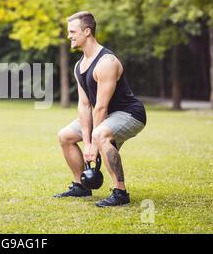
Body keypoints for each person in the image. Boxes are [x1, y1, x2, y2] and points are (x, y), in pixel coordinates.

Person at [55, 11, 146, 207]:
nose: (69, 35)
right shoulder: (79, 66)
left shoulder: (107, 62)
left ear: (87, 31)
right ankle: (81, 186)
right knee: (65, 136)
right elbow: (85, 105)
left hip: (129, 113)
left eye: (73, 31)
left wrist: (93, 144)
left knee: (100, 136)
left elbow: (101, 107)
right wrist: (87, 143)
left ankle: (120, 193)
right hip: (105, 115)